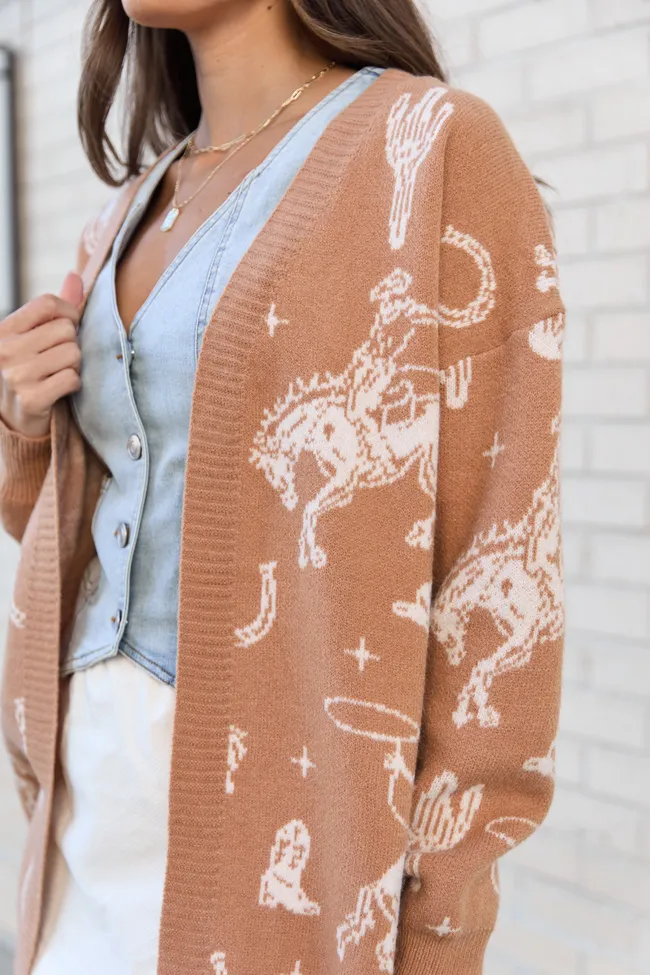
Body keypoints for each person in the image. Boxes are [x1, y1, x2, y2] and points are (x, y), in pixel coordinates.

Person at [0, 1, 566, 973]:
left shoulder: (429, 149)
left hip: (280, 836)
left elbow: (499, 562)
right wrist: (22, 430)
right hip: (79, 825)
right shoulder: (121, 216)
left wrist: (441, 929)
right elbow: (88, 531)